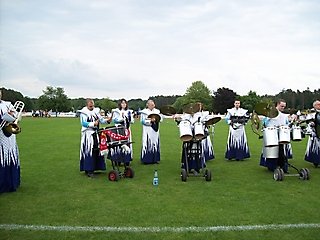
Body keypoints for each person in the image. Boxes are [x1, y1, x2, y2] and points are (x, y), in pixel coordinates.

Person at [79, 98, 111, 178]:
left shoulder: (96, 111)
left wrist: (108, 120)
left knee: (97, 149)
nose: (91, 106)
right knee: (89, 150)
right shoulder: (83, 112)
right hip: (88, 134)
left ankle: (96, 167)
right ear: (87, 104)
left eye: (92, 104)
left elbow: (101, 120)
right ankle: (89, 169)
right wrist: (93, 123)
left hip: (96, 133)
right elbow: (83, 123)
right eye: (90, 105)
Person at [259, 99, 292, 172]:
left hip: (281, 134)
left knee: (282, 151)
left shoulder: (284, 115)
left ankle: (283, 166)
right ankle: (272, 166)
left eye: (284, 106)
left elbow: (286, 124)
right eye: (282, 106)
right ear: (277, 105)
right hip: (271, 134)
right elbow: (264, 123)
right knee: (272, 150)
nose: (283, 108)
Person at [0, 90, 21, 193]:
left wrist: (13, 115)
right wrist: (3, 119)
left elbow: (17, 116)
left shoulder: (8, 104)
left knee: (10, 156)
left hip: (10, 137)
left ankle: (12, 182)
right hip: (0, 136)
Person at [110, 99, 134, 165]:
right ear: (120, 104)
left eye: (125, 103)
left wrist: (129, 119)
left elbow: (132, 120)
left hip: (127, 129)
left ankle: (127, 159)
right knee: (119, 144)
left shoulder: (129, 111)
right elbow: (114, 120)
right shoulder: (116, 111)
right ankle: (118, 160)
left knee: (127, 143)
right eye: (122, 103)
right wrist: (121, 119)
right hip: (119, 130)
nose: (124, 104)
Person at [140, 99, 162, 164]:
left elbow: (161, 119)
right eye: (151, 104)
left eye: (153, 104)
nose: (152, 106)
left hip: (155, 130)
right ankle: (146, 159)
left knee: (155, 143)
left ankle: (155, 159)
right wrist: (150, 121)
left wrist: (156, 120)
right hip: (147, 130)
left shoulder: (157, 111)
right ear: (147, 105)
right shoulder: (144, 112)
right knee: (147, 143)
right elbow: (142, 121)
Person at [304, 100, 320, 167]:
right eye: (318, 104)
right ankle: (315, 161)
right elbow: (308, 121)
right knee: (315, 147)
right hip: (314, 132)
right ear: (315, 105)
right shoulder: (311, 112)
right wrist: (311, 123)